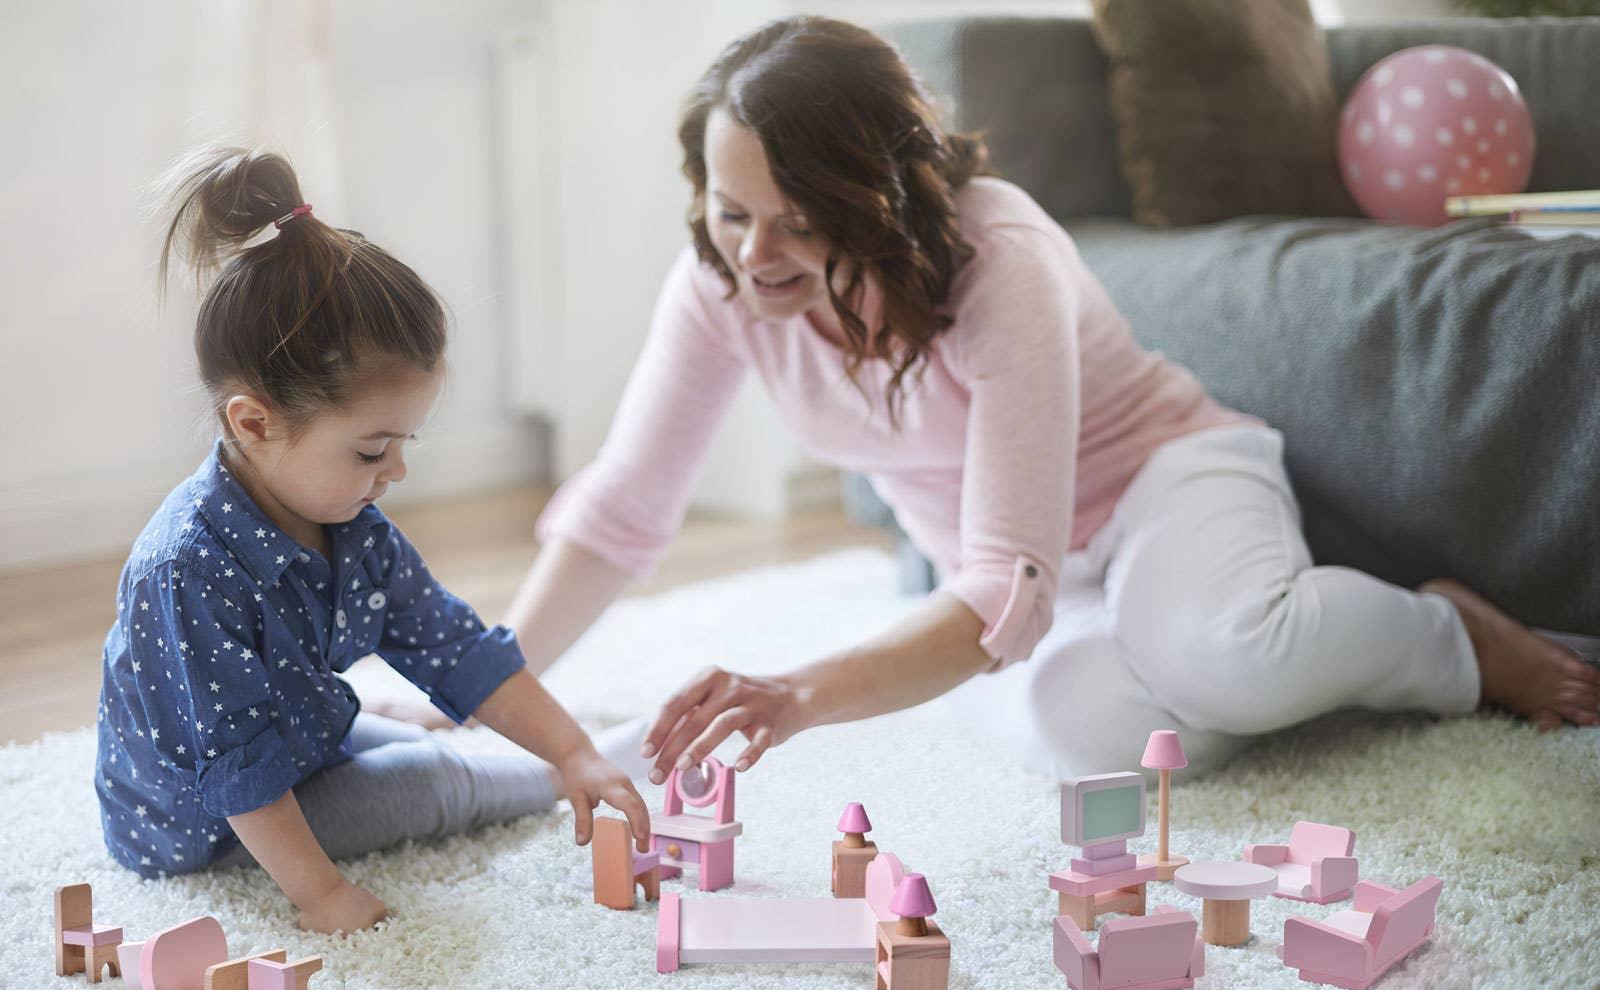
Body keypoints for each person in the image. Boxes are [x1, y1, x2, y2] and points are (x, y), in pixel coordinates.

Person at [482, 17, 1597, 783]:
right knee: (1085, 734)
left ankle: (1444, 636)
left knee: (1225, 658)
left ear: (874, 195)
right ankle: (1236, 661)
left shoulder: (995, 252)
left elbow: (998, 584)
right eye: (730, 211)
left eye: (798, 219)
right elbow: (625, 505)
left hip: (1159, 481)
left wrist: (800, 693)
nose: (755, 255)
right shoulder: (721, 278)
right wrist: (487, 684)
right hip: (1023, 577)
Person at [95, 146, 651, 935]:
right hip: (204, 823)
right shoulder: (184, 572)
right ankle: (540, 789)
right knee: (427, 782)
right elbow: (239, 771)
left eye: (404, 445)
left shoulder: (350, 524)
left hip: (300, 730)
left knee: (405, 732)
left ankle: (565, 769)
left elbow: (454, 646)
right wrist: (323, 896)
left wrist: (573, 747)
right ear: (254, 423)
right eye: (370, 450)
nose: (394, 472)